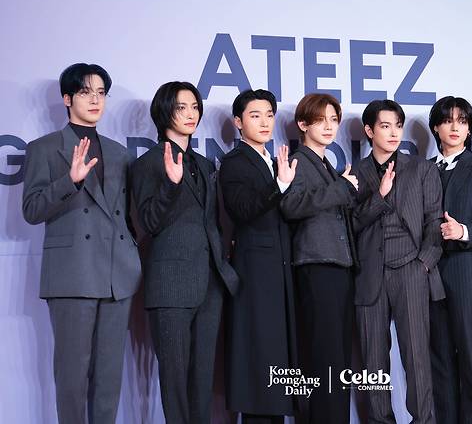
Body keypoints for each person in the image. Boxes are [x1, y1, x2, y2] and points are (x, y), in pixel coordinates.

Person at [22, 63, 141, 423]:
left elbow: (126, 213)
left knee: (109, 379)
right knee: (72, 378)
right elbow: (31, 209)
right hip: (72, 275)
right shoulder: (44, 149)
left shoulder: (119, 153)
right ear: (67, 98)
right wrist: (68, 183)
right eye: (86, 92)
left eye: (101, 93)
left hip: (116, 276)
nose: (95, 99)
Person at [130, 81, 238, 424]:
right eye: (181, 108)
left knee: (202, 377)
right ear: (164, 112)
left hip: (210, 283)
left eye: (194, 107)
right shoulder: (148, 164)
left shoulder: (206, 165)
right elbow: (148, 221)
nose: (191, 114)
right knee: (174, 380)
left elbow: (212, 223)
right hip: (171, 284)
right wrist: (171, 186)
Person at [352, 99, 443, 424]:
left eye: (397, 126)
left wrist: (424, 263)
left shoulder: (421, 168)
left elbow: (435, 222)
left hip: (411, 268)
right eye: (385, 126)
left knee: (418, 358)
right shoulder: (355, 174)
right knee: (372, 363)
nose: (393, 133)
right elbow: (351, 225)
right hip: (369, 273)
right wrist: (379, 196)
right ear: (369, 130)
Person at [218, 89, 298, 424]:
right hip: (254, 270)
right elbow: (243, 209)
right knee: (259, 357)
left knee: (277, 360)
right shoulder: (235, 163)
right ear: (238, 122)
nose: (264, 122)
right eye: (254, 115)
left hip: (279, 269)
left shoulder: (272, 160)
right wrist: (279, 184)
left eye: (268, 114)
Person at [279, 93, 358, 424]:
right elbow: (292, 205)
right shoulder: (298, 161)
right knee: (326, 361)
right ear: (302, 125)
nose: (329, 126)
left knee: (338, 362)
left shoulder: (325, 163)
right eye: (321, 120)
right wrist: (341, 188)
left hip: (339, 267)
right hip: (316, 267)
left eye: (334, 120)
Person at [426, 96, 472, 424]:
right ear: (435, 127)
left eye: (462, 121)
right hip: (429, 271)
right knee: (438, 356)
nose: (455, 127)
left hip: (468, 269)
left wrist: (463, 231)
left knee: (471, 355)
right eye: (447, 120)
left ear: (470, 128)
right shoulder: (423, 169)